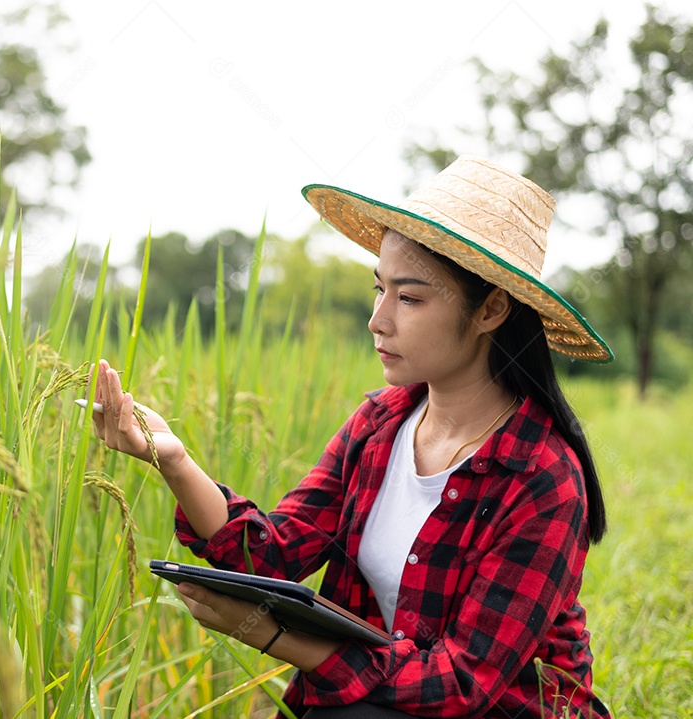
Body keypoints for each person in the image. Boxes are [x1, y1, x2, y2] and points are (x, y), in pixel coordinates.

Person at [89, 156, 613, 718]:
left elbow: (462, 682)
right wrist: (173, 460)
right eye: (378, 289)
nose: (378, 319)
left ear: (490, 310)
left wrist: (276, 638)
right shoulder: (379, 427)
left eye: (409, 298)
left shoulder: (542, 478)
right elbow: (278, 550)